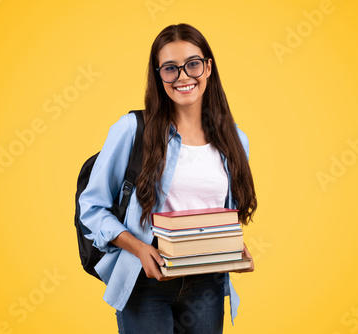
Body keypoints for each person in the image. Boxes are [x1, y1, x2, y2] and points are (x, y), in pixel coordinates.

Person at [79, 23, 257, 334]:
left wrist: (233, 247)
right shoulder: (133, 130)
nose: (184, 77)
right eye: (171, 68)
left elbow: (221, 212)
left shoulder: (235, 139)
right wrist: (137, 247)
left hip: (207, 285)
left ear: (208, 67)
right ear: (158, 75)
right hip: (145, 281)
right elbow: (92, 208)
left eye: (193, 64)